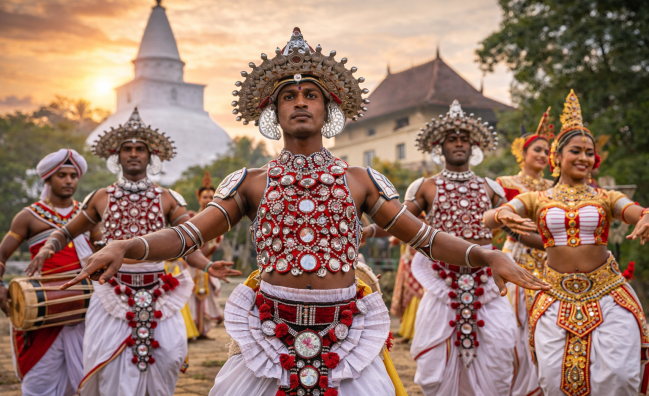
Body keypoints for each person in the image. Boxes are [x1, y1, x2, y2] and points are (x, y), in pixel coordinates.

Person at [61, 28, 548, 396]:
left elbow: (424, 237)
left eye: (310, 95)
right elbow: (187, 234)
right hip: (271, 329)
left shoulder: (360, 179)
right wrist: (128, 246)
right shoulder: (251, 181)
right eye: (289, 97)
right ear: (273, 115)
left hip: (346, 330)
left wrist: (487, 257)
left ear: (327, 108)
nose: (299, 103)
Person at [29, 108, 240, 396]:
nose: (133, 153)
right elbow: (67, 231)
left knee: (168, 357)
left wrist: (206, 265)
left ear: (150, 156)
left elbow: (186, 240)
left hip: (160, 290)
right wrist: (48, 247)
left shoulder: (167, 198)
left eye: (140, 149)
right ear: (117, 155)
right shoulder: (101, 197)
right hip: (111, 290)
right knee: (108, 367)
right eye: (127, 148)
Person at [484, 90, 649, 396]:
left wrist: (646, 215)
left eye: (589, 152)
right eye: (576, 150)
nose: (584, 158)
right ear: (556, 157)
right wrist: (505, 213)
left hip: (607, 293)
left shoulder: (606, 197)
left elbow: (633, 210)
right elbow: (491, 217)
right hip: (554, 293)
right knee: (554, 380)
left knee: (619, 377)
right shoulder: (538, 198)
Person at [365, 100, 522, 395]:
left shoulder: (490, 187)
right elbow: (399, 221)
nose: (459, 144)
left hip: (487, 282)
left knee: (501, 349)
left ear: (474, 146)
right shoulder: (426, 186)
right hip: (442, 280)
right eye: (452, 139)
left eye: (465, 139)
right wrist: (370, 230)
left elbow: (513, 222)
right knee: (434, 361)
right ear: (440, 146)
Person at [0, 149, 95, 396]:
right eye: (62, 175)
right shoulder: (28, 216)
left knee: (89, 381)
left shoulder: (87, 215)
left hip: (82, 310)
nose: (69, 181)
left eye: (73, 176)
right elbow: (1, 255)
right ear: (48, 179)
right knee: (38, 384)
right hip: (42, 308)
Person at [494, 109, 554, 396]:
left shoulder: (555, 188)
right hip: (516, 258)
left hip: (549, 262)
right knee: (515, 328)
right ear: (523, 152)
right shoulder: (506, 184)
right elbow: (500, 223)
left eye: (548, 151)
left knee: (545, 326)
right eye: (538, 149)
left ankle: (542, 386)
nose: (543, 155)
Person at [188, 171, 225, 337]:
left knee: (205, 297)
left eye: (212, 197)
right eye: (205, 197)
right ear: (198, 198)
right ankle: (192, 330)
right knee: (190, 297)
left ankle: (203, 330)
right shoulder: (189, 218)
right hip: (190, 266)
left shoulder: (217, 223)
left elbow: (210, 249)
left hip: (206, 266)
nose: (208, 200)